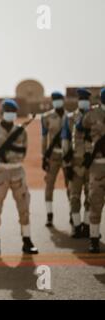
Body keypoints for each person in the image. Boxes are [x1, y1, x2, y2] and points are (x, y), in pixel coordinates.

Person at [0, 99, 38, 255]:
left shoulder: (21, 131)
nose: (10, 114)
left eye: (13, 111)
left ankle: (27, 241)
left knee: (24, 206)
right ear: (2, 113)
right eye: (7, 111)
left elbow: (24, 151)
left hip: (17, 172)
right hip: (0, 172)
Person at [61, 88, 91, 238]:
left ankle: (87, 226)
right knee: (74, 197)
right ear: (78, 101)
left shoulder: (96, 116)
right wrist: (66, 165)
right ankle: (76, 226)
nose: (83, 101)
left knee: (91, 197)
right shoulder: (70, 118)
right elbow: (65, 142)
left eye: (86, 99)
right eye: (81, 99)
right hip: (75, 163)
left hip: (93, 165)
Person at [81, 88, 105, 253]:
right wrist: (89, 149)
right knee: (95, 201)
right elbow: (80, 130)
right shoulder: (91, 115)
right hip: (97, 164)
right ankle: (94, 239)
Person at [41, 92, 69, 227]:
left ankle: (72, 214)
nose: (57, 101)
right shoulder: (46, 117)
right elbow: (43, 137)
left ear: (63, 100)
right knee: (49, 185)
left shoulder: (70, 116)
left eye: (59, 99)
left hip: (67, 155)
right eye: (54, 99)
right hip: (52, 156)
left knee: (70, 185)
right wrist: (43, 157)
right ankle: (49, 215)